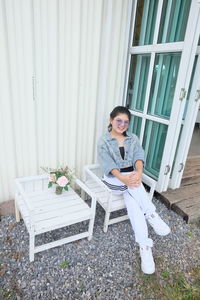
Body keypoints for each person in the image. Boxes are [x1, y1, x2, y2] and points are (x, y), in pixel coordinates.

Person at [97, 106, 170, 274]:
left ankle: (145, 247)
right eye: (118, 121)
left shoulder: (133, 138)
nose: (122, 125)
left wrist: (138, 173)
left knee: (133, 204)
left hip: (131, 179)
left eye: (126, 122)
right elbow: (108, 165)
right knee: (132, 188)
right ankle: (151, 214)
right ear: (111, 120)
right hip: (114, 180)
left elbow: (139, 156)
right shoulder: (103, 142)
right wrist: (126, 179)